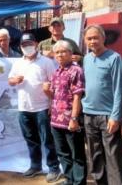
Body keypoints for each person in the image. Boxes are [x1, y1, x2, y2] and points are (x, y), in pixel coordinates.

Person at [8, 33, 61, 183]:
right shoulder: (18, 63)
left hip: (43, 108)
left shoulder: (46, 62)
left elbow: (54, 83)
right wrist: (14, 80)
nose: (27, 47)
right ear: (20, 47)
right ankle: (36, 166)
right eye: (24, 45)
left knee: (48, 140)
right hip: (24, 108)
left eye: (29, 44)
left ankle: (53, 168)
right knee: (31, 139)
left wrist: (52, 103)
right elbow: (10, 80)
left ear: (36, 44)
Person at [82, 24, 122, 185]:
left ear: (103, 38)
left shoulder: (114, 58)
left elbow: (119, 89)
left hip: (108, 116)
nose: (92, 41)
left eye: (95, 37)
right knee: (95, 156)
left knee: (113, 156)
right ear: (85, 41)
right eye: (89, 38)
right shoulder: (86, 59)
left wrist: (116, 116)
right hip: (89, 114)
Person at [49, 40, 87, 185]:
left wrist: (74, 118)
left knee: (76, 154)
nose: (60, 55)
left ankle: (79, 182)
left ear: (71, 54)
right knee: (63, 153)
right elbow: (55, 96)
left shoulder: (76, 70)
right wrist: (47, 92)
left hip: (71, 120)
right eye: (57, 52)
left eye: (63, 51)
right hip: (55, 121)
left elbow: (77, 96)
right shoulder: (56, 72)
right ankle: (69, 180)